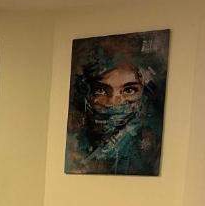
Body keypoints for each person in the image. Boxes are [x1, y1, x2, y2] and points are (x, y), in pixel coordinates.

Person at [65, 36, 166, 175]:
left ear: (144, 93)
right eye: (100, 90)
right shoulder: (77, 143)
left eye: (129, 90)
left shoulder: (149, 146)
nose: (114, 101)